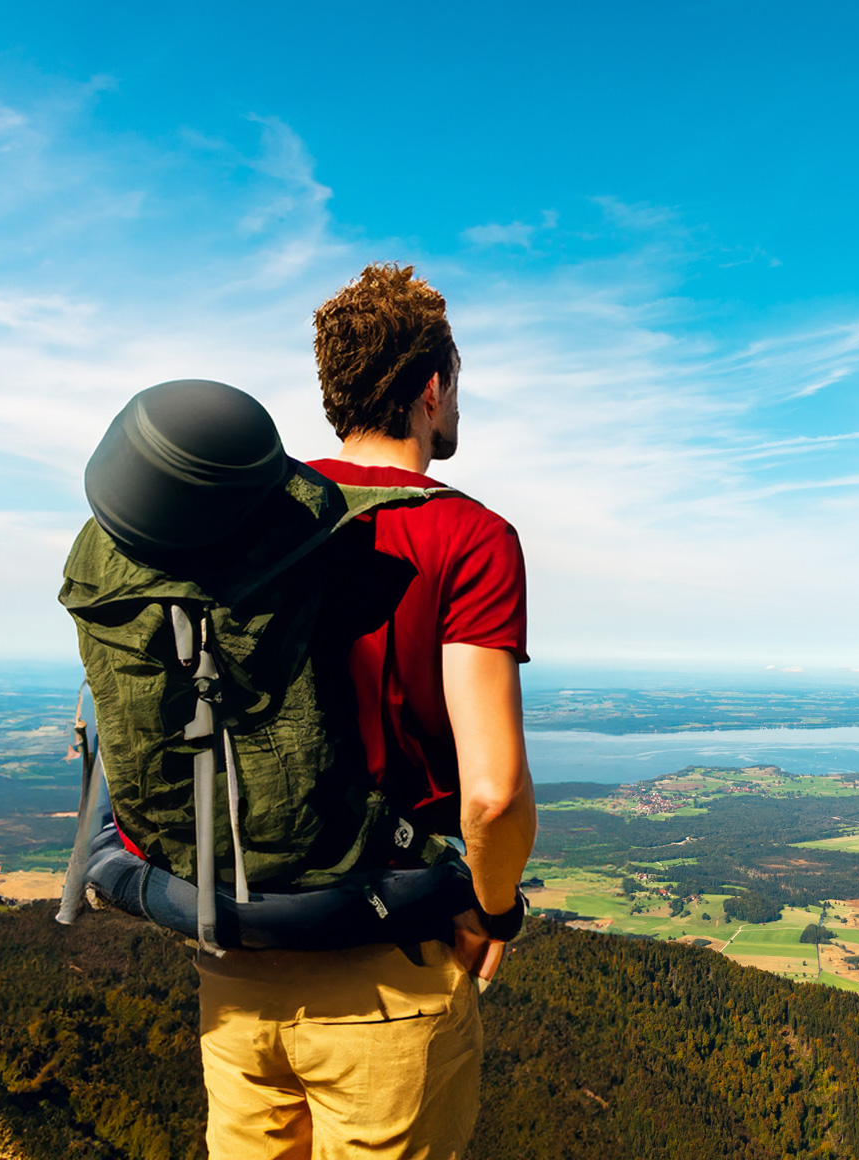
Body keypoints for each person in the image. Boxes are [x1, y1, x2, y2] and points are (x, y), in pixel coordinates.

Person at [195, 263, 536, 1160]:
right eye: (456, 384)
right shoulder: (472, 537)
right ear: (433, 388)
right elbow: (493, 793)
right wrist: (493, 911)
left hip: (236, 956)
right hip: (387, 973)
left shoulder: (253, 521)